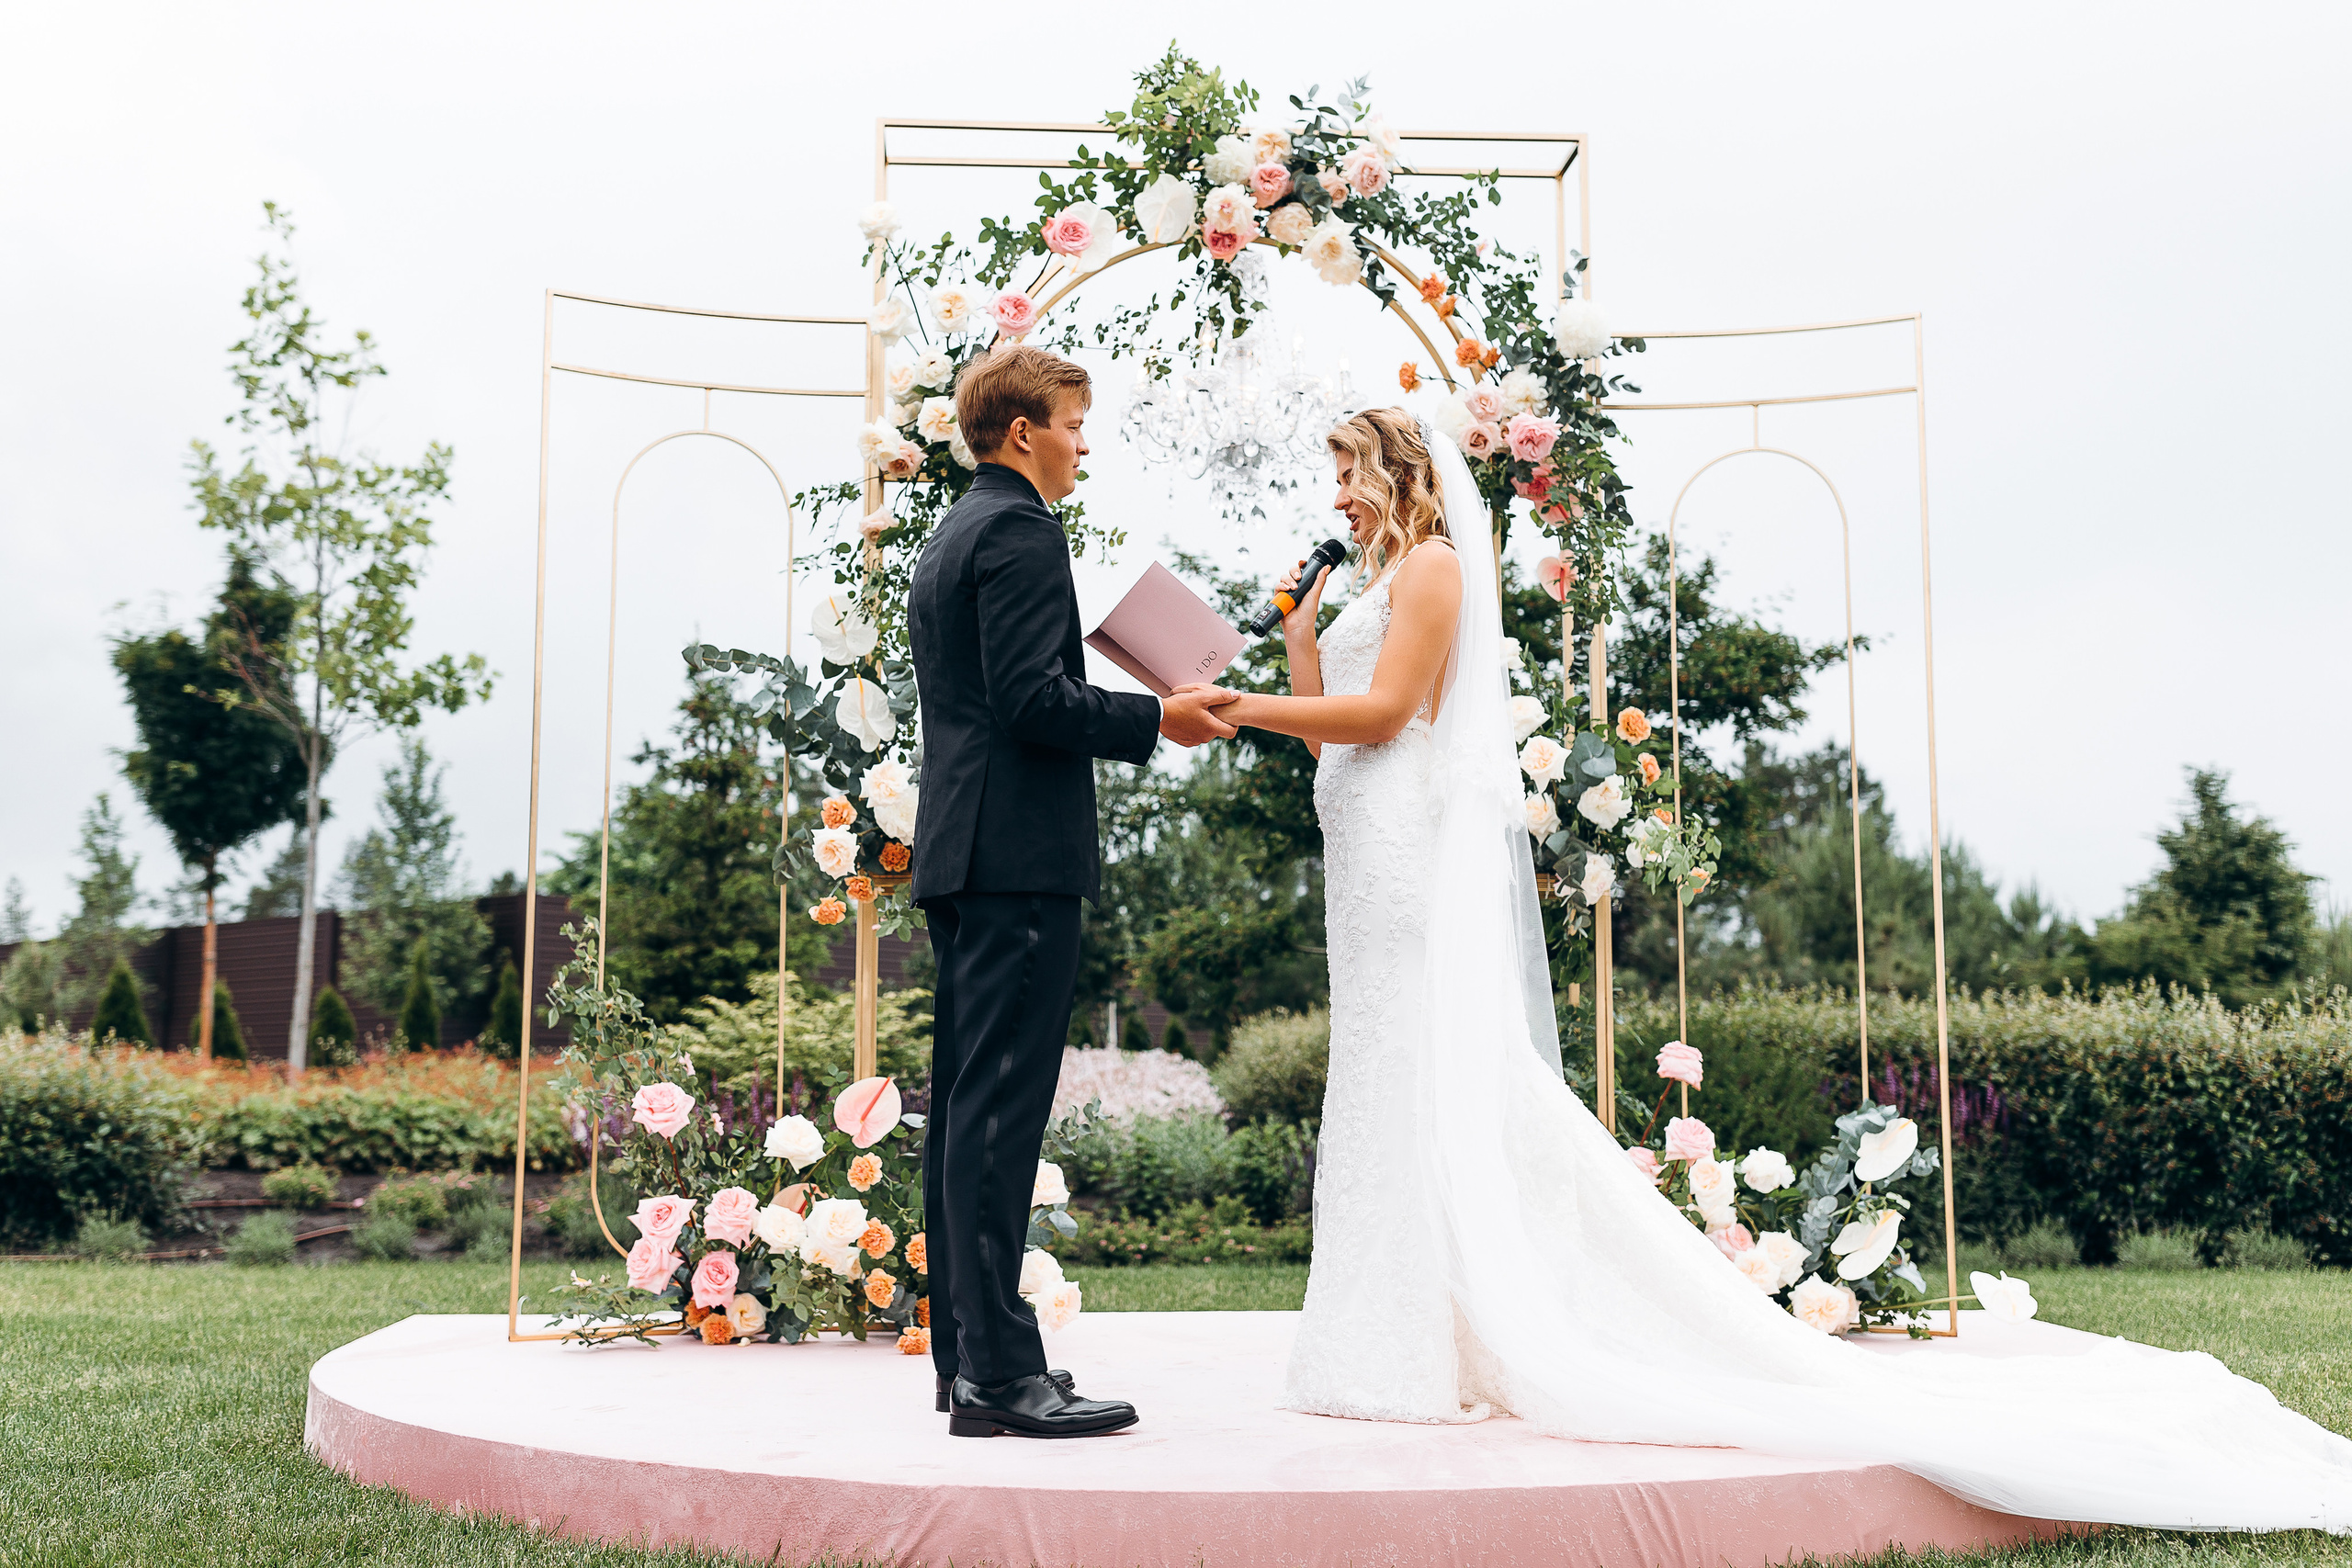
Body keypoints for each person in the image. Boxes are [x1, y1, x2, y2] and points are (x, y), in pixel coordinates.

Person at [1183, 405, 2352, 1531]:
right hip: (1360, 848)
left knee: (1426, 1077)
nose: (1336, 495)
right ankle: (1385, 1338)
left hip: (1400, 855)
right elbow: (1331, 712)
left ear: (1400, 471)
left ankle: (1445, 1336)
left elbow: (1388, 713)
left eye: (1347, 472)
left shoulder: (1436, 566)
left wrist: (1244, 705)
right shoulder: (1374, 578)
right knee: (1382, 1082)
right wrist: (1298, 639)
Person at [907, 344, 1237, 1439]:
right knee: (999, 1115)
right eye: (1074, 424)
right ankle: (1004, 1375)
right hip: (1017, 859)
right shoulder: (1020, 530)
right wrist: (1158, 718)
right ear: (1022, 433)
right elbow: (1030, 702)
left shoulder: (951, 532)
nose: (1083, 445)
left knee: (965, 1114)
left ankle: (966, 1366)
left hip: (965, 854)